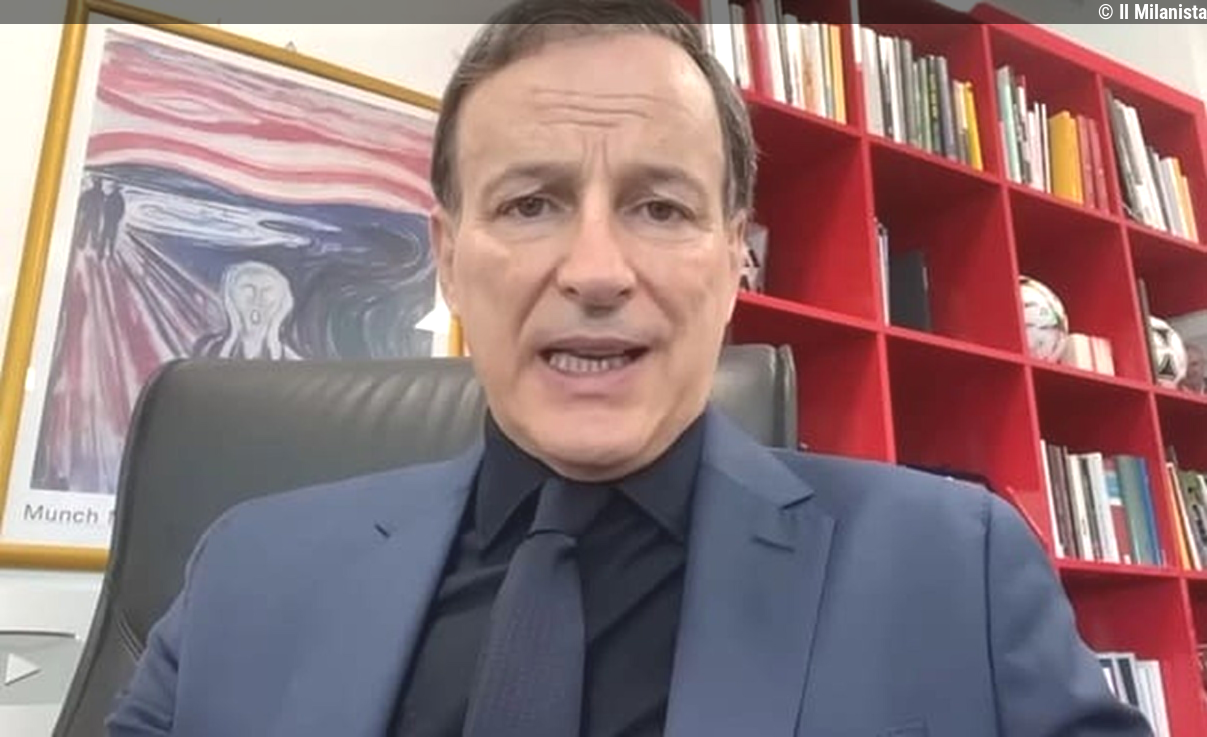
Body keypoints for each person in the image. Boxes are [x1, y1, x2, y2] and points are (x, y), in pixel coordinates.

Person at [104, 2, 1154, 736]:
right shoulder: (245, 571)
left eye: (659, 206)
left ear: (733, 263)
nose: (597, 270)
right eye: (530, 203)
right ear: (449, 261)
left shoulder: (955, 568)